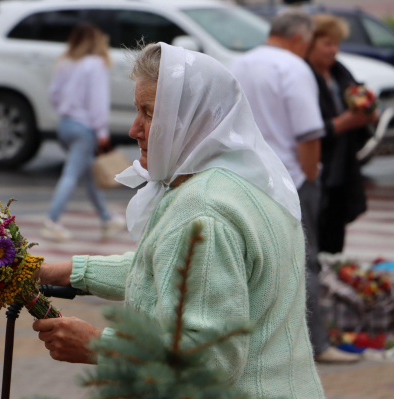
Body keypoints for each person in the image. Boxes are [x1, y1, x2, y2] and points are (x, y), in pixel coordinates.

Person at [33, 43, 325, 397]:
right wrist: (62, 272)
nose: (135, 129)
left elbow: (210, 360)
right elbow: (169, 270)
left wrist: (98, 344)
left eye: (150, 112)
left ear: (193, 118)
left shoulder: (203, 210)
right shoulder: (247, 180)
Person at [230, 9, 359, 363]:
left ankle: (255, 342)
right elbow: (309, 133)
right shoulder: (293, 67)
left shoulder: (239, 64)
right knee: (305, 261)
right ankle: (317, 344)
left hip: (245, 176)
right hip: (290, 179)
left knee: (251, 262)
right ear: (299, 38)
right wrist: (311, 176)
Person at [42, 24, 124, 242]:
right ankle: (52, 219)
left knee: (88, 174)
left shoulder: (67, 61)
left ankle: (106, 218)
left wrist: (64, 110)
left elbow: (53, 93)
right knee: (71, 174)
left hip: (66, 125)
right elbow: (98, 101)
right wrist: (102, 130)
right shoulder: (95, 64)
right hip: (84, 127)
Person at [307, 14, 375, 255]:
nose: (334, 50)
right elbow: (303, 128)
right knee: (310, 236)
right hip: (315, 165)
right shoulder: (301, 75)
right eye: (327, 43)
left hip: (341, 165)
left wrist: (369, 113)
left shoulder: (339, 72)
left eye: (336, 44)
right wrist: (342, 123)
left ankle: (328, 282)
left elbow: (360, 97)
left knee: (333, 235)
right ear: (310, 42)